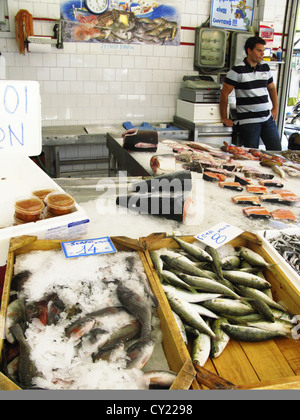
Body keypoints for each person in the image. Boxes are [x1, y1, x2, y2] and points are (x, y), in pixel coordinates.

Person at [220, 35, 282, 151]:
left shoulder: (265, 68)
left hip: (267, 118)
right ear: (249, 51)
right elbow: (224, 94)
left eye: (263, 51)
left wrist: (275, 108)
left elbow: (272, 88)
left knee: (276, 151)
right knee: (251, 154)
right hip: (249, 122)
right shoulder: (237, 70)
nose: (262, 54)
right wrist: (224, 117)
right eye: (259, 50)